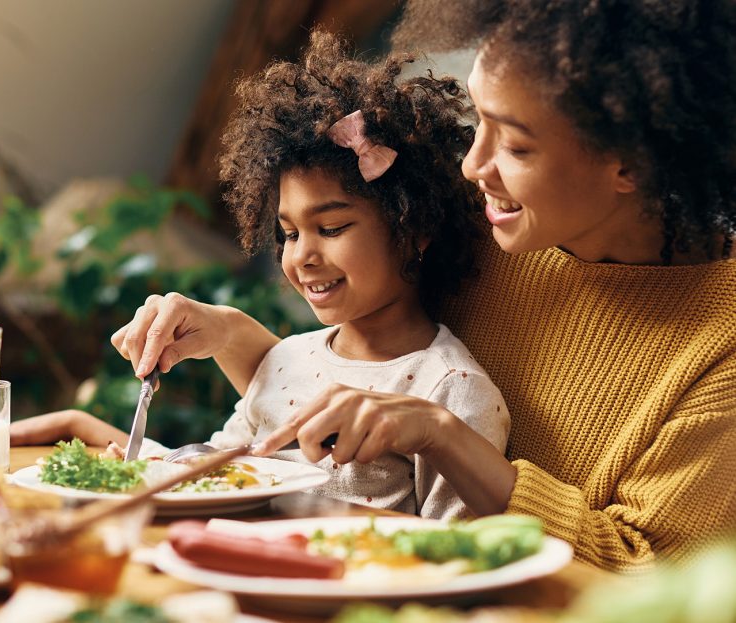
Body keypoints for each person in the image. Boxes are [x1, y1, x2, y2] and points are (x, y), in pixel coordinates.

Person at [105, 0, 736, 571]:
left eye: (515, 145)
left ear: (631, 160)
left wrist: (446, 437)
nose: (472, 166)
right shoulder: (484, 227)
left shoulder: (721, 347)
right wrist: (234, 336)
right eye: (479, 122)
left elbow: (648, 576)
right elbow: (360, 410)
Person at [13, 30, 510, 519]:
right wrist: (91, 432)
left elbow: (460, 553)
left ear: (414, 226)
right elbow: (207, 476)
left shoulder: (447, 387)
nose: (302, 257)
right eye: (290, 234)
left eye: (331, 227)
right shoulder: (286, 358)